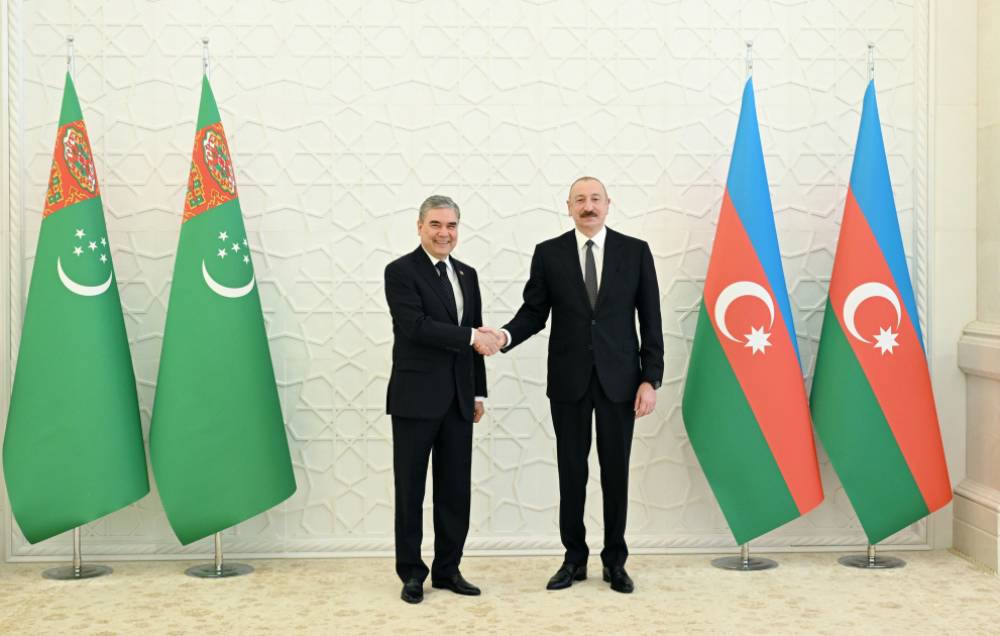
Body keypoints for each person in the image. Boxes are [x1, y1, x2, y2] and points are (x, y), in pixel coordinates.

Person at [486, 176, 664, 594]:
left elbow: (651, 318)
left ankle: (615, 562)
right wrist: (504, 336)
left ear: (608, 204)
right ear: (568, 207)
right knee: (571, 471)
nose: (588, 206)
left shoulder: (635, 251)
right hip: (569, 381)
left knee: (616, 473)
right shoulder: (549, 253)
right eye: (580, 200)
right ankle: (573, 559)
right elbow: (534, 313)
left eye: (595, 199)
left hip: (621, 382)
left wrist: (650, 378)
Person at [383, 195, 503, 604]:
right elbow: (416, 327)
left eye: (451, 225)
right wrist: (471, 336)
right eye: (435, 224)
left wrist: (478, 392)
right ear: (419, 227)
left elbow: (476, 337)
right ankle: (412, 573)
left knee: (455, 490)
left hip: (459, 400)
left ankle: (448, 570)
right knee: (410, 491)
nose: (444, 233)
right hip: (415, 399)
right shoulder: (400, 271)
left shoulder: (467, 273)